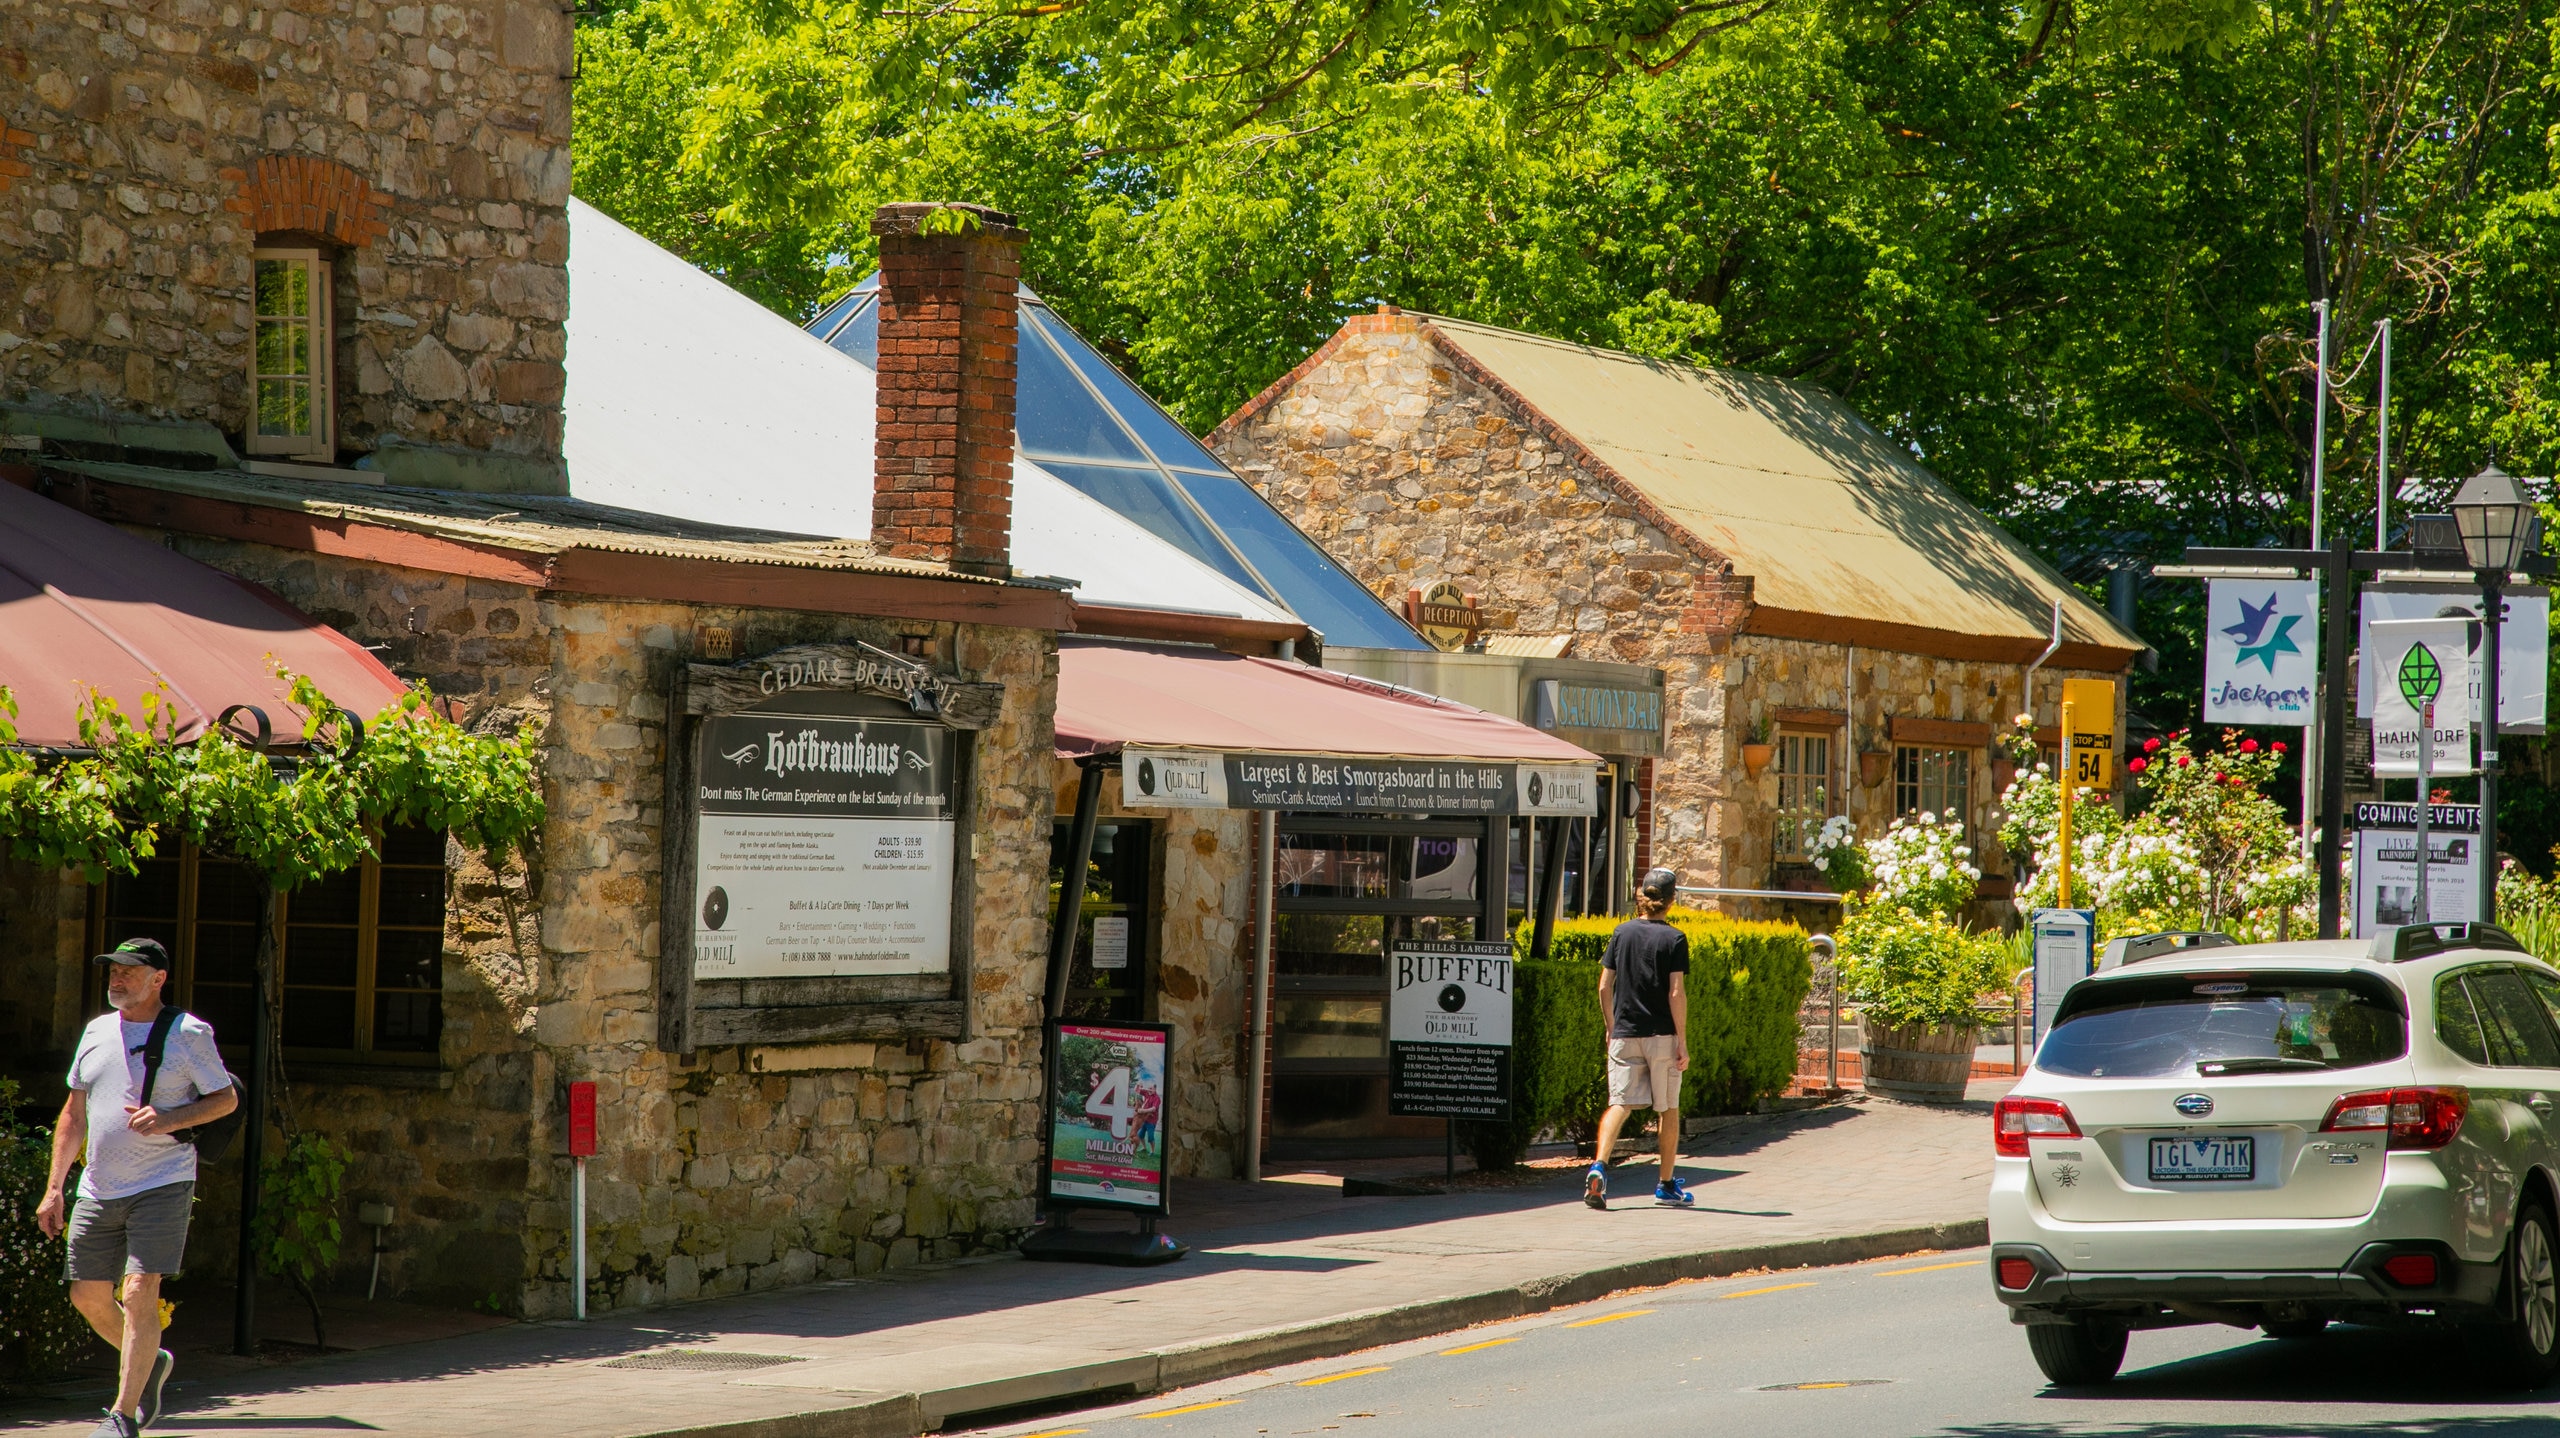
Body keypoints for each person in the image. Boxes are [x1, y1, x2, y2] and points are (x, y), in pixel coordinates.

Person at [34, 938, 238, 1437]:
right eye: (113, 971)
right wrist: (55, 1186)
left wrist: (171, 1118)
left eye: (130, 970)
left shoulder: (189, 1033)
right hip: (98, 1184)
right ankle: (149, 1358)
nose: (117, 979)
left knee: (140, 1289)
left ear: (158, 979)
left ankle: (122, 1416)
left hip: (163, 1180)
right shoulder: (97, 1031)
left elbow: (225, 1099)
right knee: (87, 1296)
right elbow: (73, 1113)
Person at [1586, 869, 1693, 1210]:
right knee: (1668, 1108)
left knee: (1619, 1103)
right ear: (1671, 900)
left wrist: (1610, 1025)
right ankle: (1664, 1185)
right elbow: (1676, 992)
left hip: (1624, 1033)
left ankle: (1599, 1166)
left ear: (1641, 899)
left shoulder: (1621, 933)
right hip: (1661, 1035)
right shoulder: (1675, 939)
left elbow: (1604, 986)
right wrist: (1682, 1040)